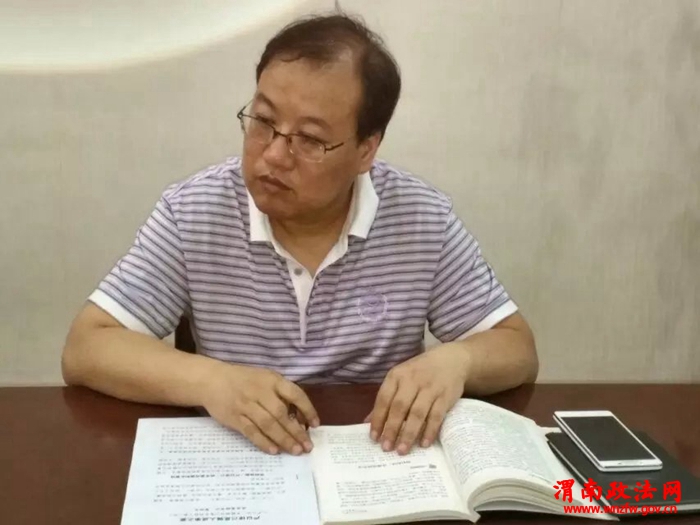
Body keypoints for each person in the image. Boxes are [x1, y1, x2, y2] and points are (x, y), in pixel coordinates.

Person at [62, 12, 538, 458]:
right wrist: (211, 381)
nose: (272, 155)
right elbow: (87, 348)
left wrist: (456, 361)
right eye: (264, 121)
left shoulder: (421, 218)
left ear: (365, 149)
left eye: (309, 139)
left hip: (373, 461)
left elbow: (516, 348)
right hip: (241, 458)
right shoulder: (194, 211)